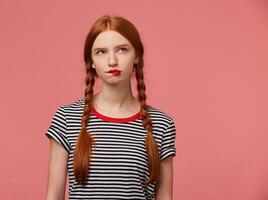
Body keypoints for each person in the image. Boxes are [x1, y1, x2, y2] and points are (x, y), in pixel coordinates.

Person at [45, 15, 176, 200]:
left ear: (136, 56)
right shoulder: (67, 118)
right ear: (91, 61)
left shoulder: (162, 124)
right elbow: (53, 196)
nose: (112, 61)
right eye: (101, 52)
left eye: (122, 50)